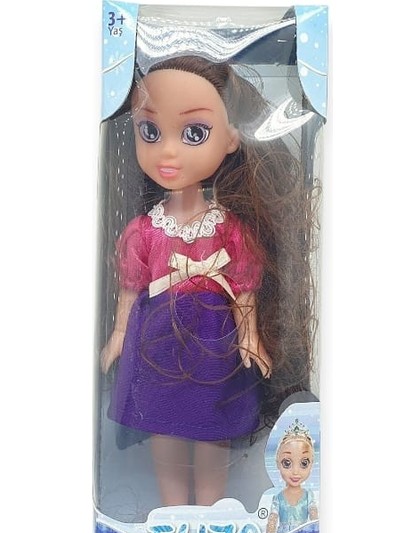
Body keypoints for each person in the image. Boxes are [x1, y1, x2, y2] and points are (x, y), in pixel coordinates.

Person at [100, 56, 315, 506]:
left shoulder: (228, 228)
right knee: (164, 428)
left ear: (232, 137)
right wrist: (118, 334)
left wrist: (250, 335)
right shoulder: (144, 230)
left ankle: (213, 512)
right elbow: (131, 286)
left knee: (212, 429)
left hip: (214, 343)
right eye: (150, 131)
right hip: (157, 342)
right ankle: (174, 512)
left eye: (194, 133)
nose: (169, 152)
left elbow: (244, 285)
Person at [266, 418, 318, 533]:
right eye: (287, 463)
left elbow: (315, 519)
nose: (295, 472)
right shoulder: (278, 498)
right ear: (278, 463)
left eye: (304, 463)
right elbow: (272, 521)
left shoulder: (308, 496)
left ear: (311, 464)